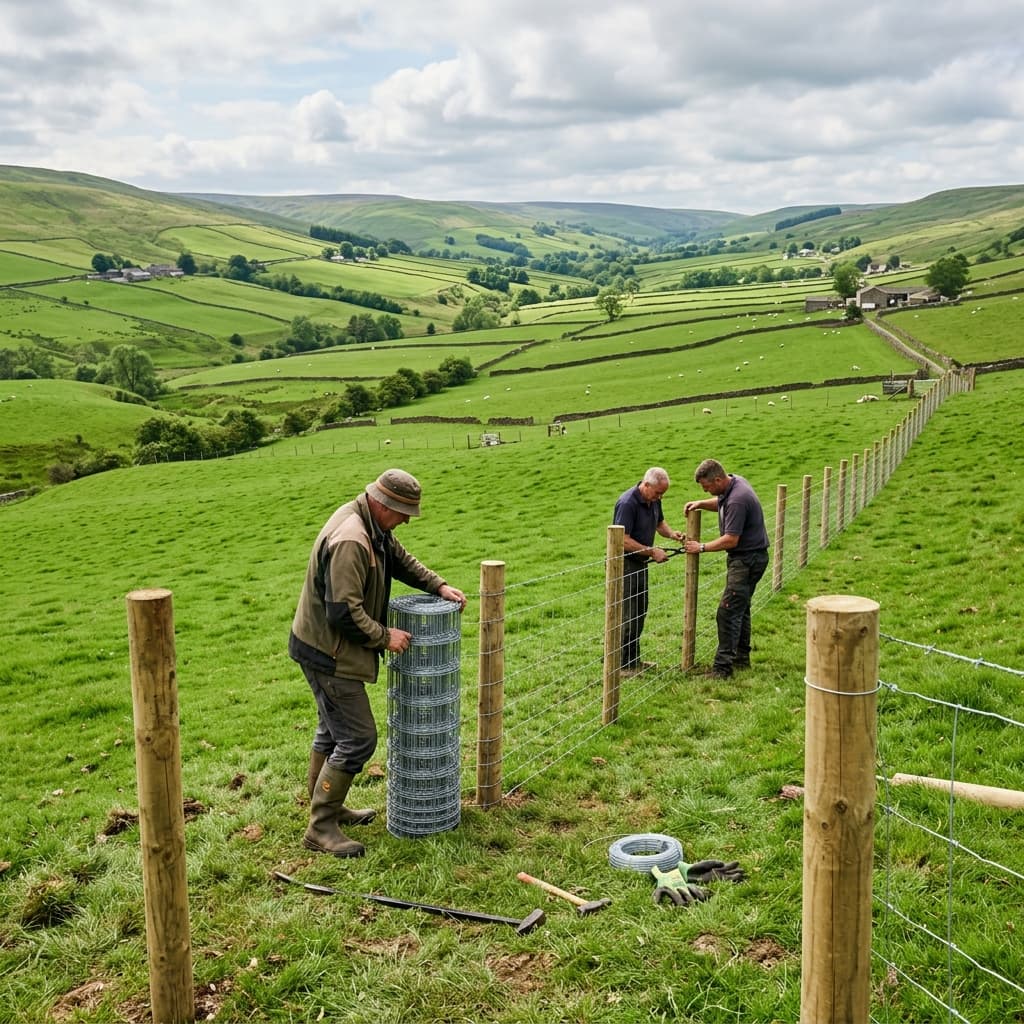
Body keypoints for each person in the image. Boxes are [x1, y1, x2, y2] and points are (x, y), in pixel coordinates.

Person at [288, 468, 467, 858]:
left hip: (322, 645)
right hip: (327, 652)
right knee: (358, 738)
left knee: (333, 731)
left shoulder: (371, 526)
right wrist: (386, 636)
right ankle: (320, 827)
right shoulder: (353, 539)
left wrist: (437, 584)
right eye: (404, 513)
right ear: (384, 504)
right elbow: (343, 612)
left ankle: (329, 808)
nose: (406, 521)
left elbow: (399, 560)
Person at [682, 459, 769, 679]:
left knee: (728, 611)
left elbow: (731, 540)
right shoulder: (734, 484)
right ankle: (741, 659)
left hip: (747, 560)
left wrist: (700, 547)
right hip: (751, 557)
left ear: (718, 479)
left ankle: (722, 669)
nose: (706, 490)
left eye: (707, 487)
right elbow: (721, 502)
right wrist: (701, 503)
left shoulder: (738, 499)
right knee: (741, 608)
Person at [612, 467, 685, 675]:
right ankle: (623, 665)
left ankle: (634, 660)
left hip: (640, 562)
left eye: (662, 494)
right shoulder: (627, 503)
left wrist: (672, 535)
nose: (659, 497)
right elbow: (622, 540)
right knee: (629, 613)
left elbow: (659, 522)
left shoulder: (653, 499)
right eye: (658, 493)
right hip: (624, 564)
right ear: (646, 485)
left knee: (640, 611)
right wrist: (652, 551)